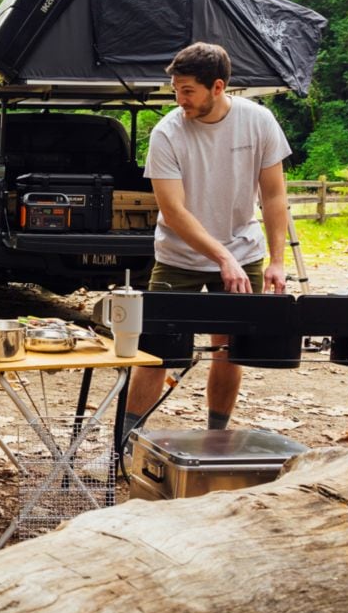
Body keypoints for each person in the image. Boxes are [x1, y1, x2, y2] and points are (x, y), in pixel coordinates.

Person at [123, 42, 291, 437]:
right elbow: (174, 210)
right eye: (176, 90)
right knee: (155, 353)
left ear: (218, 87)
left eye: (187, 90)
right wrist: (220, 256)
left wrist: (278, 261)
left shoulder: (259, 121)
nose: (179, 99)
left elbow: (274, 195)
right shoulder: (167, 132)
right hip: (178, 254)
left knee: (229, 349)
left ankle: (217, 437)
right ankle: (126, 442)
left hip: (242, 249)